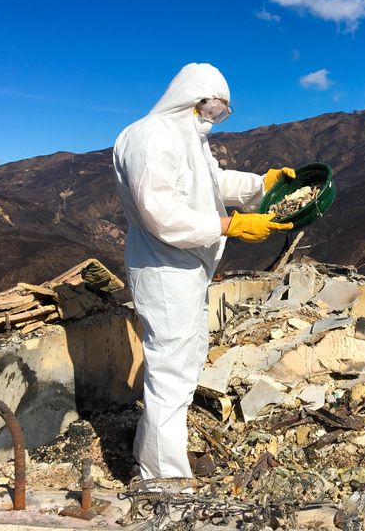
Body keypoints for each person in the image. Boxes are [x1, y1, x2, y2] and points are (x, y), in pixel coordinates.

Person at [112, 62, 295, 480]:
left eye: (221, 113)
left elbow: (212, 182)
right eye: (212, 108)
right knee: (171, 373)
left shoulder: (186, 138)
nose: (214, 118)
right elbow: (161, 213)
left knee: (188, 358)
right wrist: (229, 224)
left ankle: (153, 450)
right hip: (163, 267)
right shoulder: (151, 137)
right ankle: (164, 482)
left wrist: (261, 185)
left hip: (187, 267)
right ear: (190, 98)